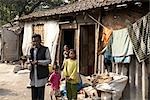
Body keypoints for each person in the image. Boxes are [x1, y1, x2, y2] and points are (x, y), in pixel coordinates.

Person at [29, 34, 51, 100]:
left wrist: (38, 62)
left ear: (40, 41)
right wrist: (30, 63)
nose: (35, 43)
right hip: (33, 74)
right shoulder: (32, 50)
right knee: (34, 95)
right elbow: (30, 59)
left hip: (41, 74)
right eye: (33, 41)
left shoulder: (45, 49)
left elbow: (49, 61)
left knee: (40, 95)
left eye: (36, 41)